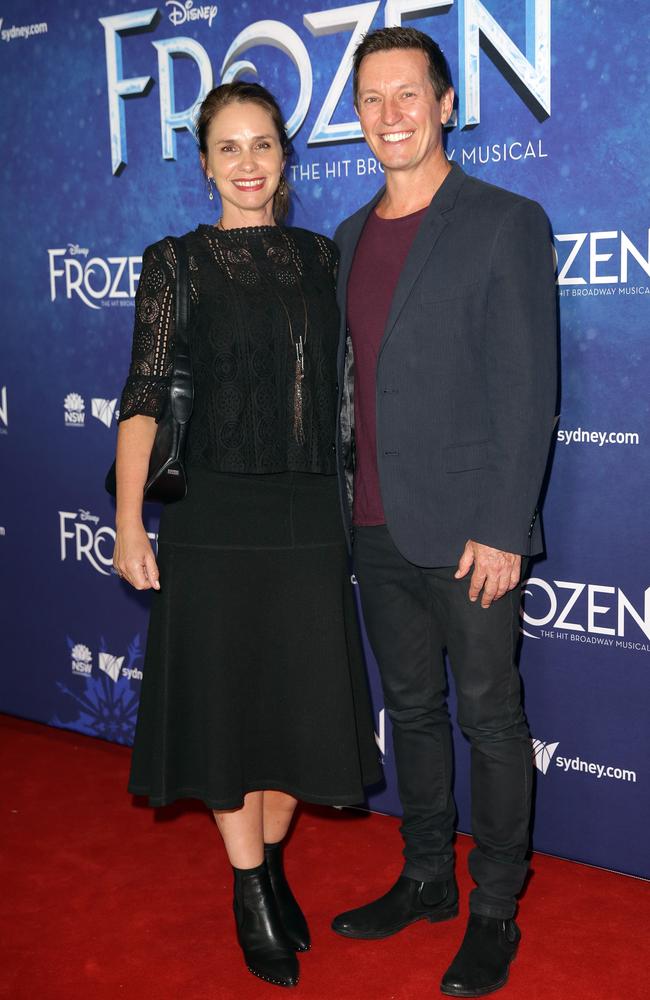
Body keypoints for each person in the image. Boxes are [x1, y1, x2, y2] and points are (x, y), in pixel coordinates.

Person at [112, 81, 381, 990]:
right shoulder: (174, 263)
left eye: (263, 144)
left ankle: (264, 866)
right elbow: (144, 396)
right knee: (229, 708)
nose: (248, 163)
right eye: (229, 147)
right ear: (204, 163)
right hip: (212, 513)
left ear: (285, 156)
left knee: (297, 708)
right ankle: (250, 886)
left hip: (308, 510)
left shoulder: (320, 257)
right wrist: (126, 522)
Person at [330, 27, 557, 998]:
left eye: (406, 94)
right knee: (409, 711)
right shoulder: (344, 238)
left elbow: (526, 385)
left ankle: (493, 905)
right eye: (371, 99)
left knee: (490, 720)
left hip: (470, 534)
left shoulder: (503, 220)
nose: (390, 114)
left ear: (445, 102)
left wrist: (504, 524)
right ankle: (424, 875)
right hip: (373, 526)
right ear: (355, 117)